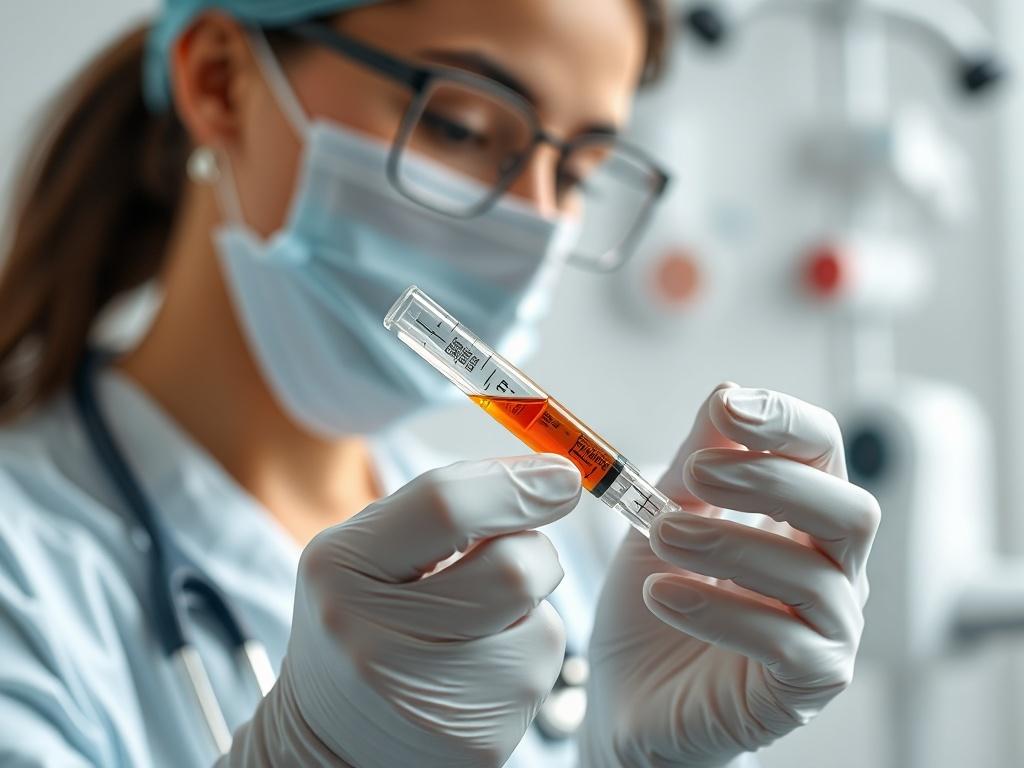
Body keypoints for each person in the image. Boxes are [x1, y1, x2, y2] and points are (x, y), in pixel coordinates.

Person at [0, 0, 881, 766]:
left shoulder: (574, 577)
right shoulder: (25, 569)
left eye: (575, 173)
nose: (535, 219)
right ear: (223, 81)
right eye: (460, 125)